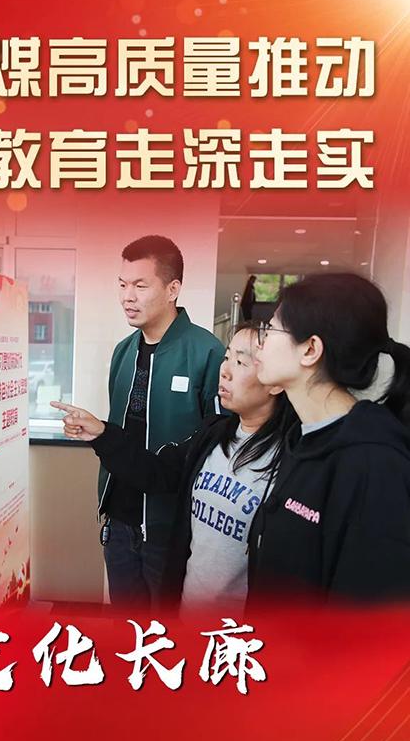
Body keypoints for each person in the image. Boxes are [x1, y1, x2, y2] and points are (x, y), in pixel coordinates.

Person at [52, 325, 297, 610]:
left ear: (276, 381)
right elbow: (157, 472)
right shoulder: (213, 434)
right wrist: (101, 433)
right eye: (227, 358)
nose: (225, 371)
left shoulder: (291, 459)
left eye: (241, 362)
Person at [250, 272, 410, 603]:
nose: (259, 343)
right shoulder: (304, 436)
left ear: (310, 349)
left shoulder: (375, 465)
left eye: (271, 329)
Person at [93, 234, 225, 606]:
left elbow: (218, 442)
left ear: (172, 289)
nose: (127, 296)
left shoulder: (207, 352)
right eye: (122, 285)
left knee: (168, 632)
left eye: (140, 285)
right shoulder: (123, 352)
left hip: (171, 529)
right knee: (127, 630)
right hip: (119, 522)